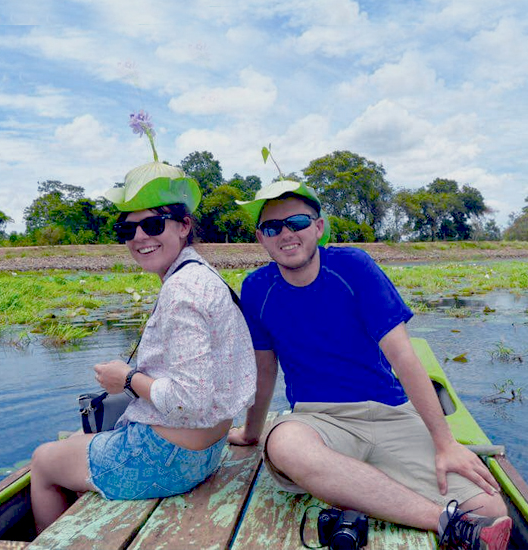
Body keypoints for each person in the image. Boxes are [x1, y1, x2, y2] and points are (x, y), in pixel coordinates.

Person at [229, 179, 512, 550]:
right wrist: (252, 433)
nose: (285, 234)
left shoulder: (353, 268)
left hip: (388, 413)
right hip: (319, 419)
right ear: (260, 238)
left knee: (490, 506)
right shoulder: (256, 288)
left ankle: (361, 482)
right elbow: (264, 370)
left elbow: (403, 355)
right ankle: (445, 523)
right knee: (284, 444)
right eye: (272, 227)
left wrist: (445, 443)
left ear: (318, 227)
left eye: (296, 222)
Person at [30, 128, 256, 533]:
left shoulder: (182, 291)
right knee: (75, 451)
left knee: (45, 461)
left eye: (153, 225)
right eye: (127, 230)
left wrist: (128, 379)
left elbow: (191, 399)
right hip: (208, 451)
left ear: (183, 226)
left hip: (167, 458)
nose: (139, 238)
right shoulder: (202, 274)